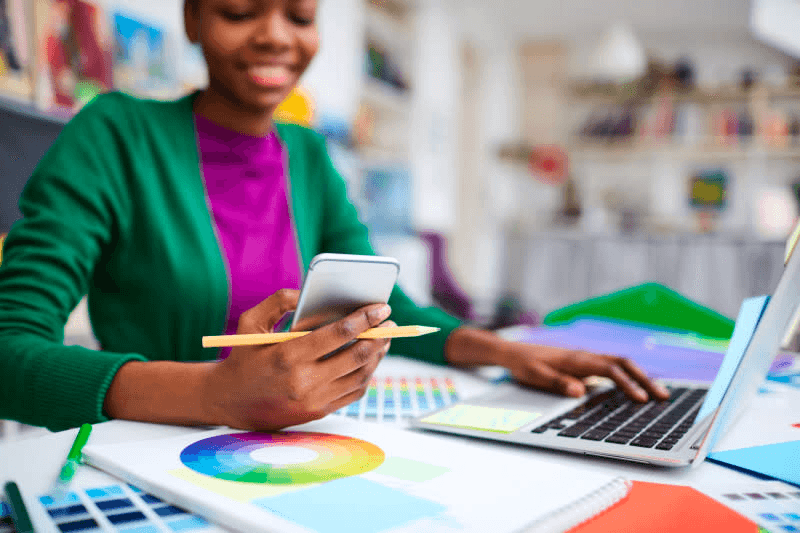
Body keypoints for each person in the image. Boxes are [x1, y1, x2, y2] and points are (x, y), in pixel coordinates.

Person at [0, 0, 669, 433]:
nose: (275, 37)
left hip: (291, 460)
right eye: (240, 10)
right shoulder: (114, 134)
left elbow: (394, 310)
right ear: (194, 19)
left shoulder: (308, 155)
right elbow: (9, 353)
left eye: (299, 14)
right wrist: (213, 395)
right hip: (151, 467)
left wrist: (507, 350)